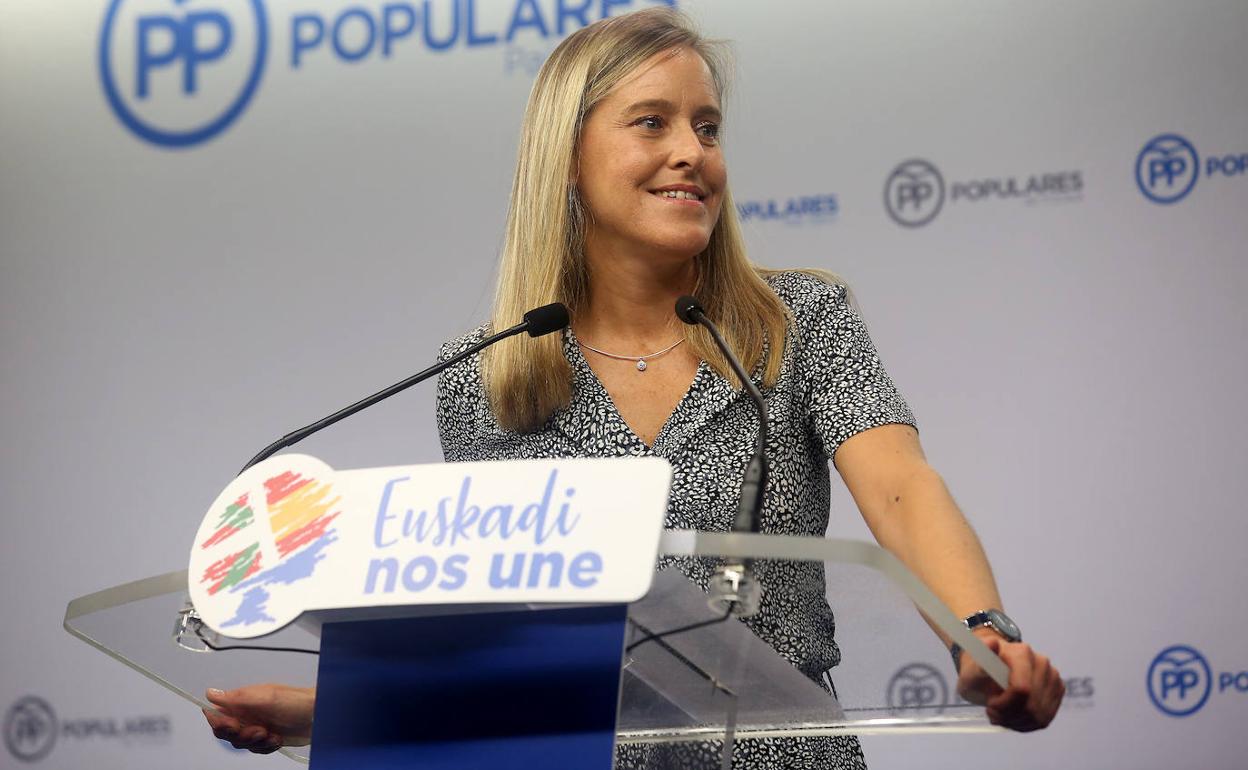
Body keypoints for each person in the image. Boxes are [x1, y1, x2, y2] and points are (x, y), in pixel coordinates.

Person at [204, 8, 1064, 767]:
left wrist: (980, 634)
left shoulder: (799, 319)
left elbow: (903, 489)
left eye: (708, 126)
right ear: (568, 159)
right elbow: (512, 656)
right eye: (651, 123)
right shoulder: (486, 380)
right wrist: (333, 712)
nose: (692, 152)